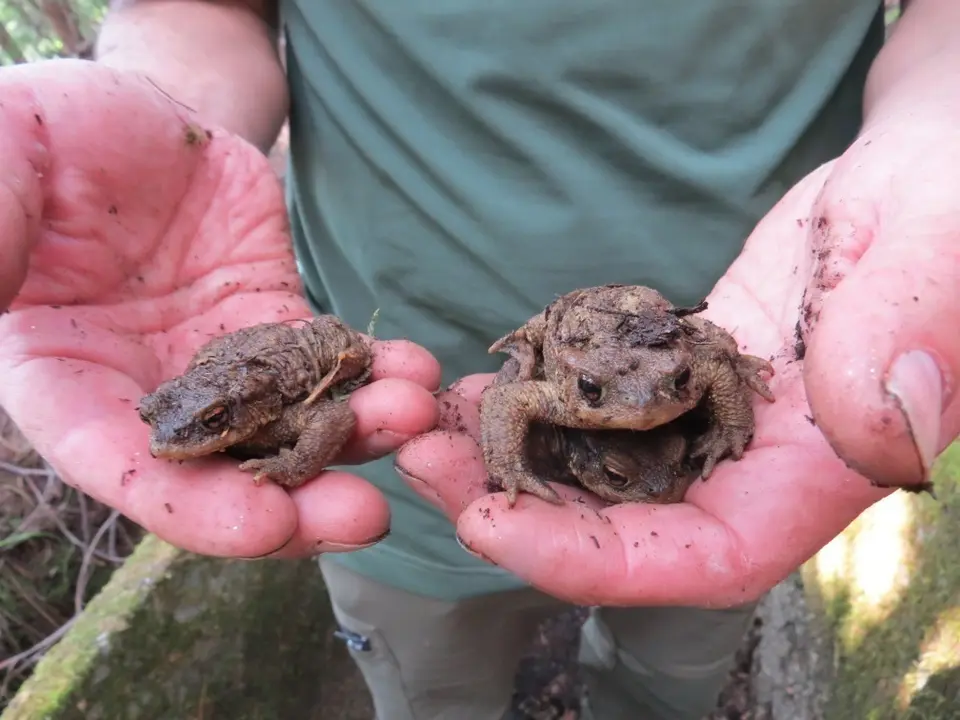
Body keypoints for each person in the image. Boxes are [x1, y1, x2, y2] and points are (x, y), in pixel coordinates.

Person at [0, 0, 956, 717]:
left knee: (669, 677)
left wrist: (937, 128)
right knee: (433, 691)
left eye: (662, 396)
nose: (639, 403)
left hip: (754, 420)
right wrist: (171, 114)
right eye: (599, 396)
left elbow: (705, 364)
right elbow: (508, 406)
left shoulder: (678, 376)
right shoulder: (552, 386)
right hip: (404, 447)